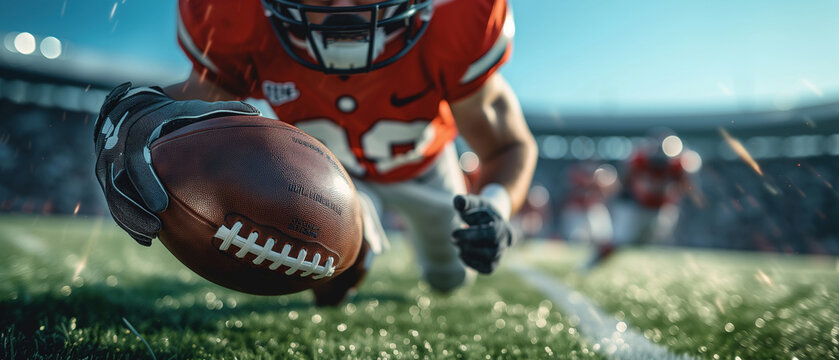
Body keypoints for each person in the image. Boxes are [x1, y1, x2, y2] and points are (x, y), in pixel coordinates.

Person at [93, 0, 537, 305]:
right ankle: (354, 235)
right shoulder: (241, 19)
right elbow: (191, 109)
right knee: (328, 251)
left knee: (451, 278)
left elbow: (509, 145)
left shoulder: (455, 21)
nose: (344, 7)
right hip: (320, 172)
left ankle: (362, 240)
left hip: (423, 167)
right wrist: (137, 120)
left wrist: (496, 205)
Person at [582, 130, 690, 270]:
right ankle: (593, 262)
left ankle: (650, 272)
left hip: (658, 209)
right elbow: (625, 182)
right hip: (634, 207)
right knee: (620, 239)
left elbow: (684, 187)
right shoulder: (638, 160)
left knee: (654, 243)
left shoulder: (677, 165)